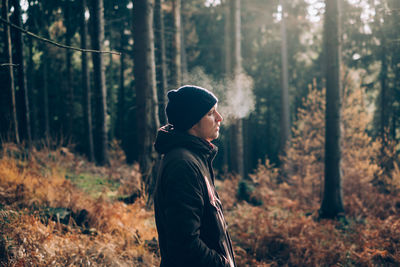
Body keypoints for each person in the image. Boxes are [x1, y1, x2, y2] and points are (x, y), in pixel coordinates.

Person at [154, 85, 236, 267]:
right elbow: (185, 245)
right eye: (210, 113)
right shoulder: (183, 165)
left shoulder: (195, 158)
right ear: (191, 121)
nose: (219, 118)